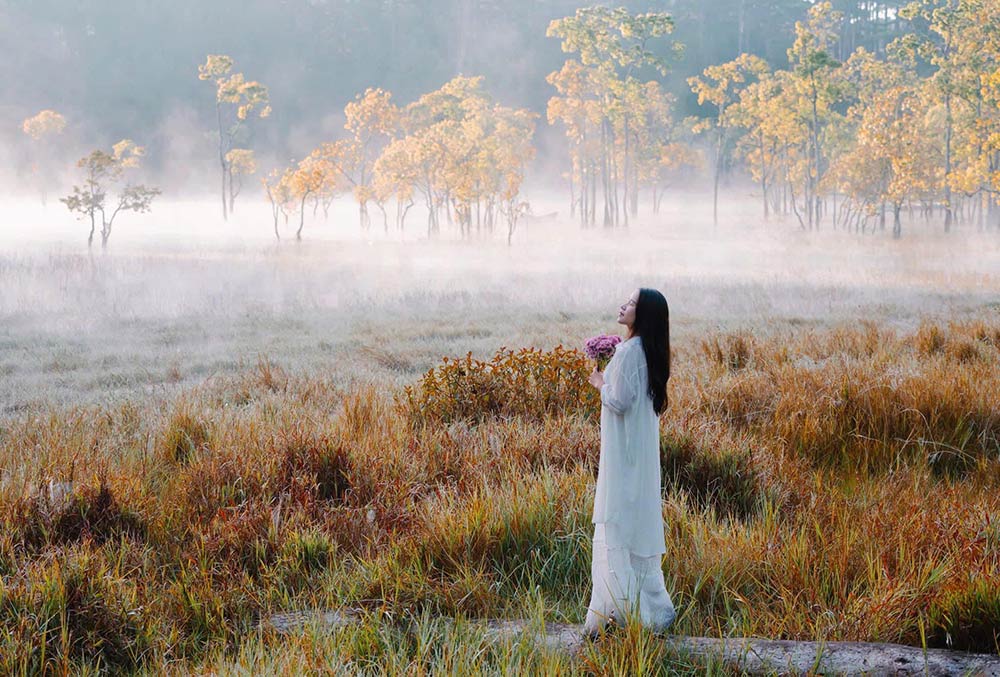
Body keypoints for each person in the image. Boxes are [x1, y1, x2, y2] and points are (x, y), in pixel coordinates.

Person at [583, 287, 676, 638]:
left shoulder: (627, 353)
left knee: (617, 521)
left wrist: (599, 381)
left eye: (632, 303)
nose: (624, 305)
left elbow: (619, 401)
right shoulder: (649, 352)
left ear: (643, 314)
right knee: (633, 523)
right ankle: (641, 608)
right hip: (640, 454)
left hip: (624, 455)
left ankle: (623, 612)